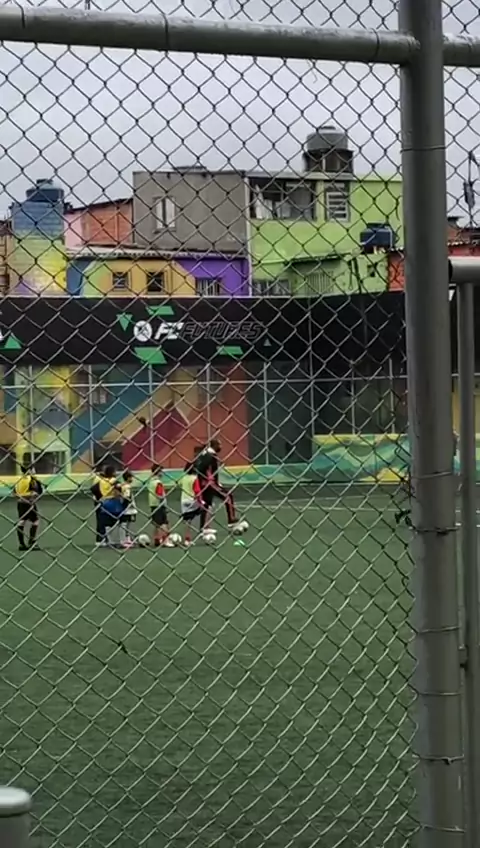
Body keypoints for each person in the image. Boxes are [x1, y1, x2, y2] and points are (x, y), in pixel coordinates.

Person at [194, 439, 243, 533]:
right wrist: (209, 480)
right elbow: (203, 469)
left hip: (207, 483)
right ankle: (231, 519)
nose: (221, 447)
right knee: (228, 496)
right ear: (214, 445)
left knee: (207, 504)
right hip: (210, 484)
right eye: (219, 445)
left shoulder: (206, 455)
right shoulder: (210, 456)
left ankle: (203, 527)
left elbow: (208, 470)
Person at [15, 464, 43, 552]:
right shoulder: (32, 479)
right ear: (30, 470)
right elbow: (37, 491)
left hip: (20, 503)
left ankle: (21, 544)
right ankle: (32, 542)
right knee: (35, 521)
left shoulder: (19, 480)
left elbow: (14, 492)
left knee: (22, 521)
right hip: (29, 503)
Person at [180, 458, 205, 545]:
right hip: (192, 500)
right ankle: (203, 530)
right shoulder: (195, 478)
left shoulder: (184, 478)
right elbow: (197, 491)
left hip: (184, 500)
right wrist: (201, 502)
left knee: (188, 520)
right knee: (205, 508)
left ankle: (187, 539)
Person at [91, 465, 117, 546]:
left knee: (107, 520)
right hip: (101, 501)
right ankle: (100, 539)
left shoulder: (107, 479)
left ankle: (106, 538)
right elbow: (94, 489)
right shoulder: (99, 479)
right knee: (101, 520)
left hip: (107, 501)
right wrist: (100, 497)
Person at [148, 464, 174, 547]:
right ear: (158, 472)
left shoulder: (151, 481)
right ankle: (165, 540)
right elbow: (160, 494)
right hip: (159, 505)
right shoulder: (158, 483)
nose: (162, 473)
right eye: (161, 471)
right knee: (164, 523)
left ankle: (156, 539)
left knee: (156, 524)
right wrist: (164, 501)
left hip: (153, 504)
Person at [121, 470, 137, 544]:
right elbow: (127, 497)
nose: (132, 479)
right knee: (127, 523)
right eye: (131, 477)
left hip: (126, 507)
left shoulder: (123, 485)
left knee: (127, 523)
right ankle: (126, 538)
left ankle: (127, 537)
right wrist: (130, 504)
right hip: (128, 508)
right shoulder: (127, 487)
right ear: (128, 478)